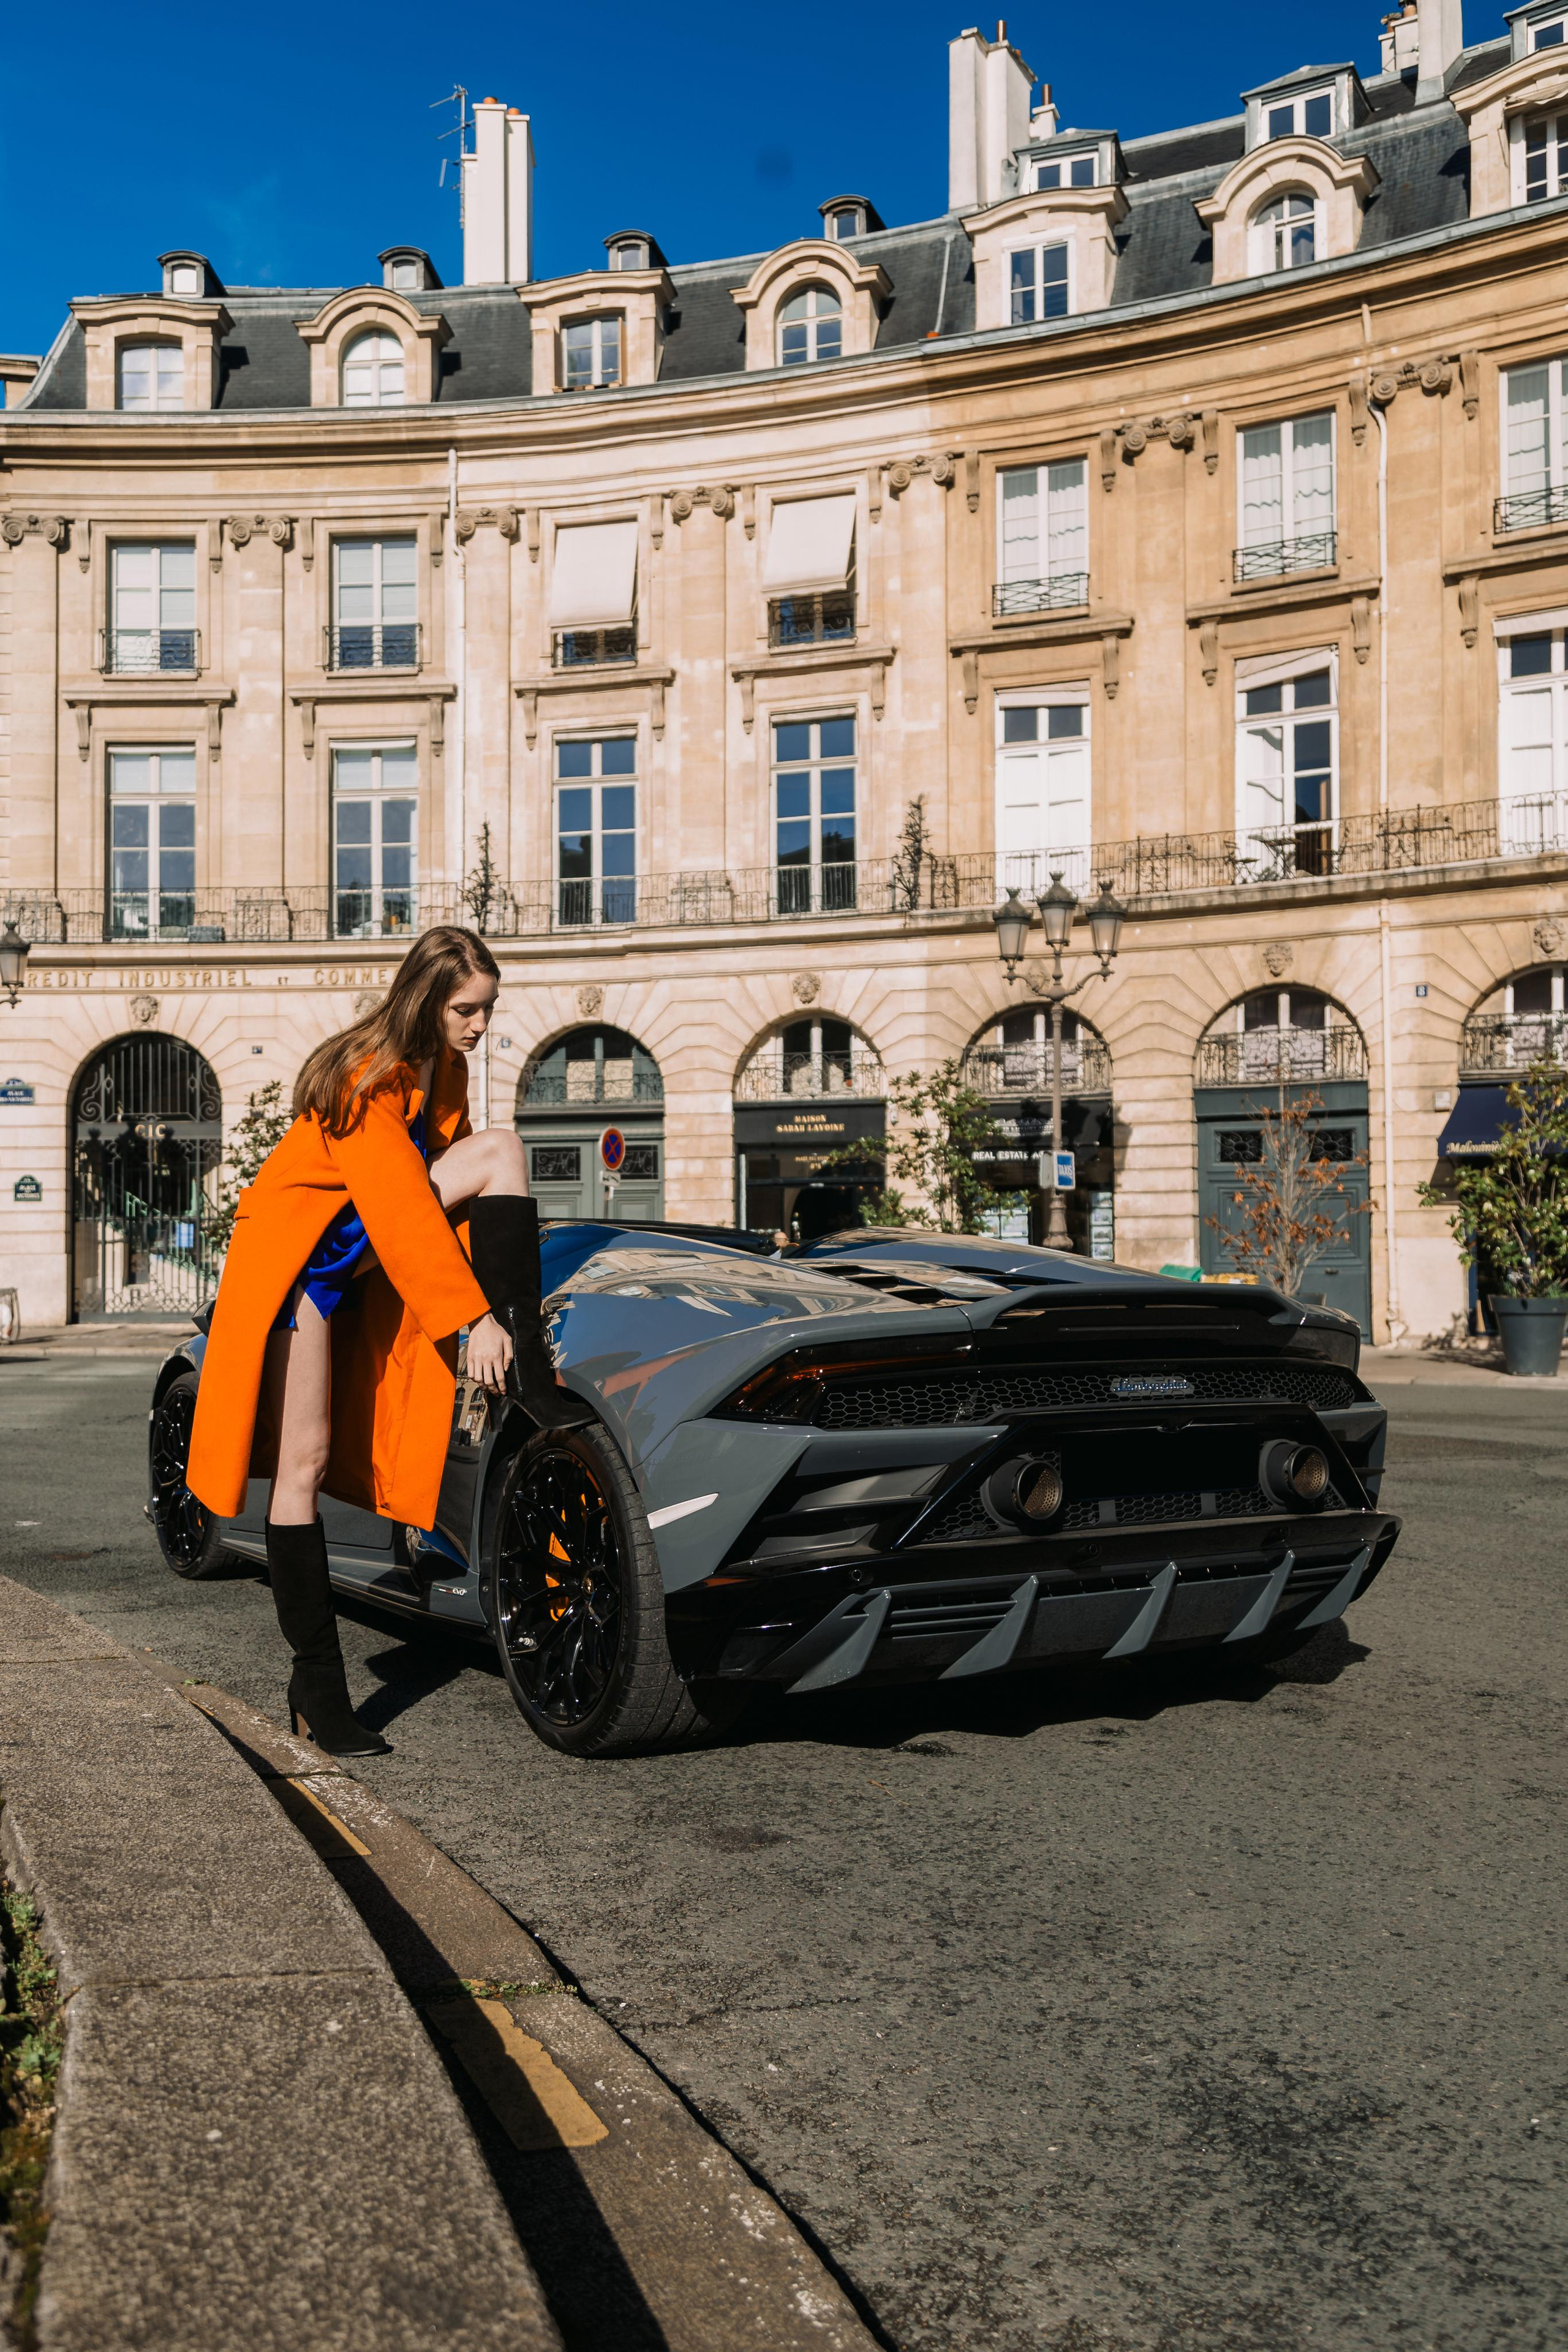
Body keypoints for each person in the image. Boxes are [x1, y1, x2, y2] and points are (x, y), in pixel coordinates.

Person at [186, 924, 586, 1756]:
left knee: (500, 1149)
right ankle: (317, 1685)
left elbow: (445, 1192)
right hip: (304, 1266)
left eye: (488, 1008)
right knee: (303, 1465)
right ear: (427, 999)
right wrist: (466, 1320)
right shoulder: (365, 1076)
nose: (481, 1024)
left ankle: (526, 1357)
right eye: (467, 1009)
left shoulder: (447, 1069)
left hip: (362, 1246)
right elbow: (402, 1211)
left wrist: (493, 1314)